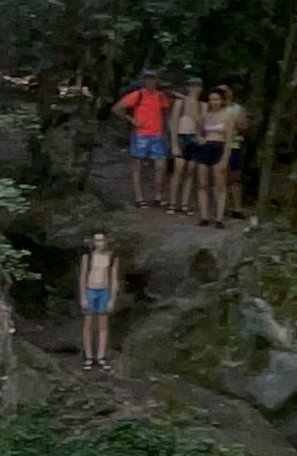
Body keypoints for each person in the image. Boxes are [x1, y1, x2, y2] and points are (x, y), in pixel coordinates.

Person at [113, 69, 172, 208]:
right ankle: (139, 198)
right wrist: (131, 120)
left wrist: (166, 132)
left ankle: (157, 196)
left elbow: (165, 113)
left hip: (157, 135)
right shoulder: (137, 95)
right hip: (140, 134)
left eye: (153, 79)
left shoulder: (160, 97)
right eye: (148, 79)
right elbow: (117, 108)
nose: (150, 81)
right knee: (137, 167)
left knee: (160, 167)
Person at [78, 231, 119, 369]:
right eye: (96, 240)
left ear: (106, 241)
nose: (99, 243)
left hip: (104, 291)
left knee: (103, 325)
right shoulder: (88, 257)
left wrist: (112, 299)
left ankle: (101, 356)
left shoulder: (111, 257)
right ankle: (88, 356)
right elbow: (83, 276)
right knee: (88, 324)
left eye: (101, 240)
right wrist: (83, 296)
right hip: (90, 290)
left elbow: (114, 279)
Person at [207, 85, 249, 223]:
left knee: (234, 177)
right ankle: (221, 208)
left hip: (234, 145)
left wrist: (238, 123)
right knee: (216, 177)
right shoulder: (213, 109)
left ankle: (237, 208)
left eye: (226, 90)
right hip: (217, 145)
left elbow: (244, 127)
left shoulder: (237, 109)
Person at [169, 72, 208, 217]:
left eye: (197, 86)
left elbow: (202, 125)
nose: (194, 89)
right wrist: (174, 144)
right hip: (181, 136)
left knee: (191, 170)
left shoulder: (202, 106)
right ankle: (172, 203)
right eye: (192, 86)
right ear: (188, 87)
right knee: (178, 169)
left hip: (194, 138)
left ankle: (184, 204)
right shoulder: (179, 104)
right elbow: (174, 125)